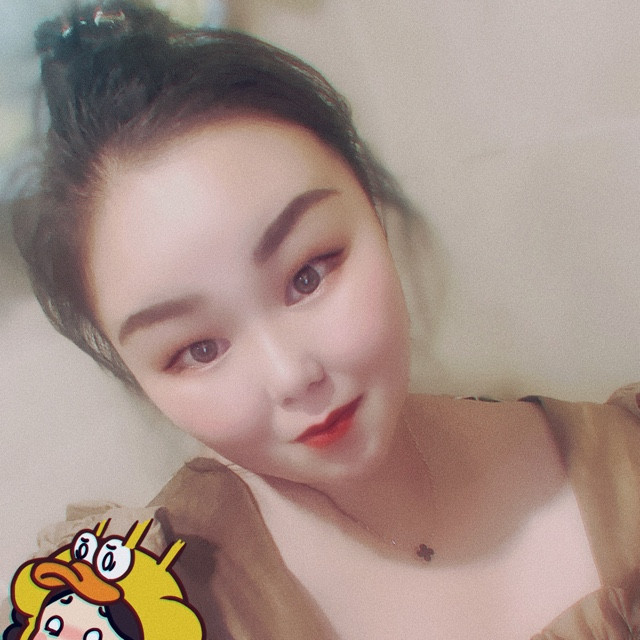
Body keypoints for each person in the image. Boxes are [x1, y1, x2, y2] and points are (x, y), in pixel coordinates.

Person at [11, 2, 640, 638]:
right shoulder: (130, 607)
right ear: (136, 377)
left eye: (307, 276)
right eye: (198, 349)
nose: (291, 376)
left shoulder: (626, 458)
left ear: (373, 210)